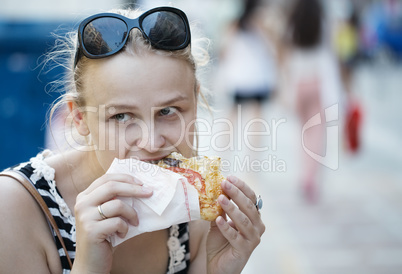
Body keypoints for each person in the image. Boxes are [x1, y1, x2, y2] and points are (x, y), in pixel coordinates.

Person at [0, 6, 265, 274]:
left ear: (195, 103)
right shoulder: (15, 209)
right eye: (122, 116)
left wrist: (218, 270)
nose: (151, 142)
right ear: (79, 119)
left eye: (167, 111)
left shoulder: (195, 213)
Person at [279, 0, 343, 202]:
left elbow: (285, 53)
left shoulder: (292, 20)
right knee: (317, 134)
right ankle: (310, 178)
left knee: (303, 132)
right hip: (317, 81)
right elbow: (332, 50)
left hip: (298, 82)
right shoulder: (323, 20)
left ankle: (304, 176)